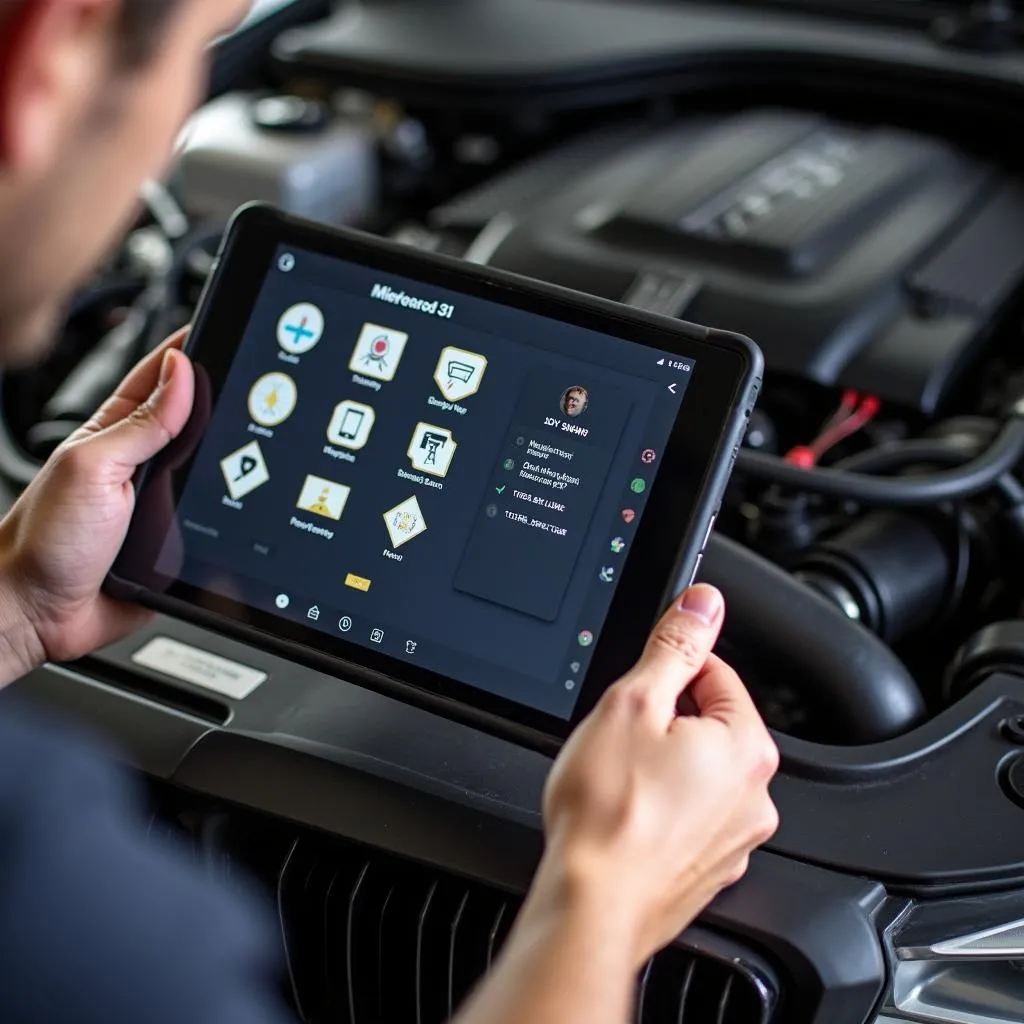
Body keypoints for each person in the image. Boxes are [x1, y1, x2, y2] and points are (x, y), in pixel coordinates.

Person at [0, 3, 779, 1023]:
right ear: (47, 56)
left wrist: (19, 601)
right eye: (198, 50)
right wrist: (606, 900)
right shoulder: (47, 888)